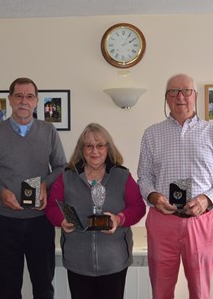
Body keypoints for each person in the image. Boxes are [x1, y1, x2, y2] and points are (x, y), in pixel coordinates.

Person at [137, 74, 213, 299]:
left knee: (200, 291)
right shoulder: (151, 134)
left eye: (185, 91)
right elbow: (143, 177)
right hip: (162, 222)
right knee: (161, 292)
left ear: (195, 96)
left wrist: (206, 199)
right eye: (173, 91)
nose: (179, 96)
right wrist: (153, 197)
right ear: (166, 98)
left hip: (200, 223)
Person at [0, 77, 67, 299]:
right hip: (5, 223)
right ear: (10, 100)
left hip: (40, 222)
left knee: (43, 286)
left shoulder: (48, 131)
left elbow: (62, 167)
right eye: (19, 95)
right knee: (8, 287)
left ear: (36, 102)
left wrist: (45, 185)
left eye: (29, 96)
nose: (24, 101)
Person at [44, 123, 146, 299]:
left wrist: (118, 219)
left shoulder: (122, 175)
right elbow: (51, 206)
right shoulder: (67, 176)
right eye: (89, 146)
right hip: (78, 263)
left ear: (108, 148)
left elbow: (138, 207)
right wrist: (61, 220)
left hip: (114, 263)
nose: (94, 151)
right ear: (82, 149)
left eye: (100, 145)